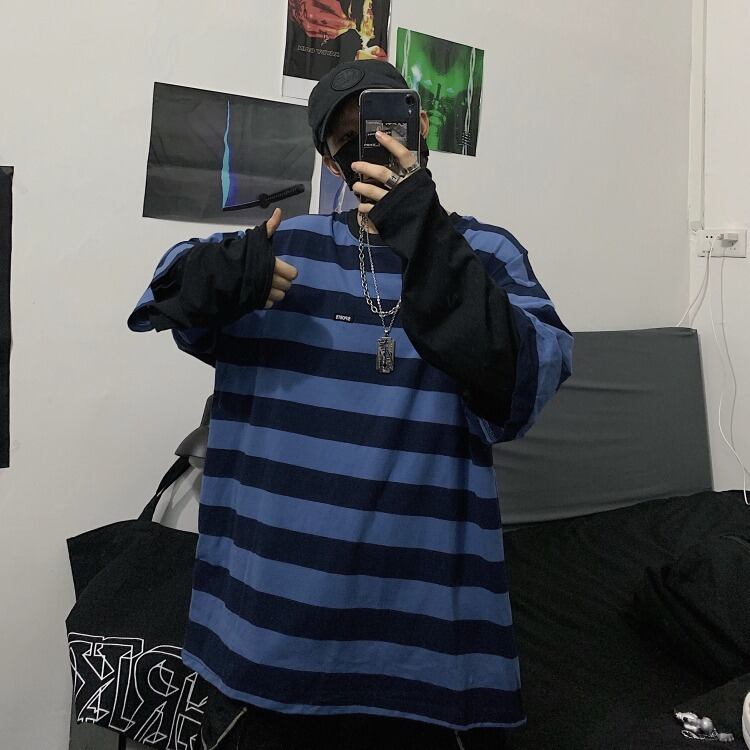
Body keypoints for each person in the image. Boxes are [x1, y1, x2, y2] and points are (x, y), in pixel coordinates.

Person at [127, 59, 573, 750]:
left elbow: (527, 381)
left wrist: (425, 237)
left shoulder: (484, 252)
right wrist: (209, 278)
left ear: (421, 134)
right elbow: (165, 295)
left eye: (388, 126)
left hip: (424, 653)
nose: (373, 145)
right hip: (267, 641)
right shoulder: (285, 248)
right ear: (330, 161)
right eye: (349, 137)